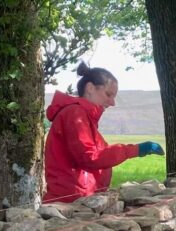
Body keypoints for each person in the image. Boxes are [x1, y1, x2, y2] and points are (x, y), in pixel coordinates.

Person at [44, 62, 164, 203]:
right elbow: (90, 157)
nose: (112, 102)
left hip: (77, 197)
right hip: (70, 201)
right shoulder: (75, 114)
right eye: (108, 94)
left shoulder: (82, 115)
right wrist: (136, 149)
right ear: (90, 88)